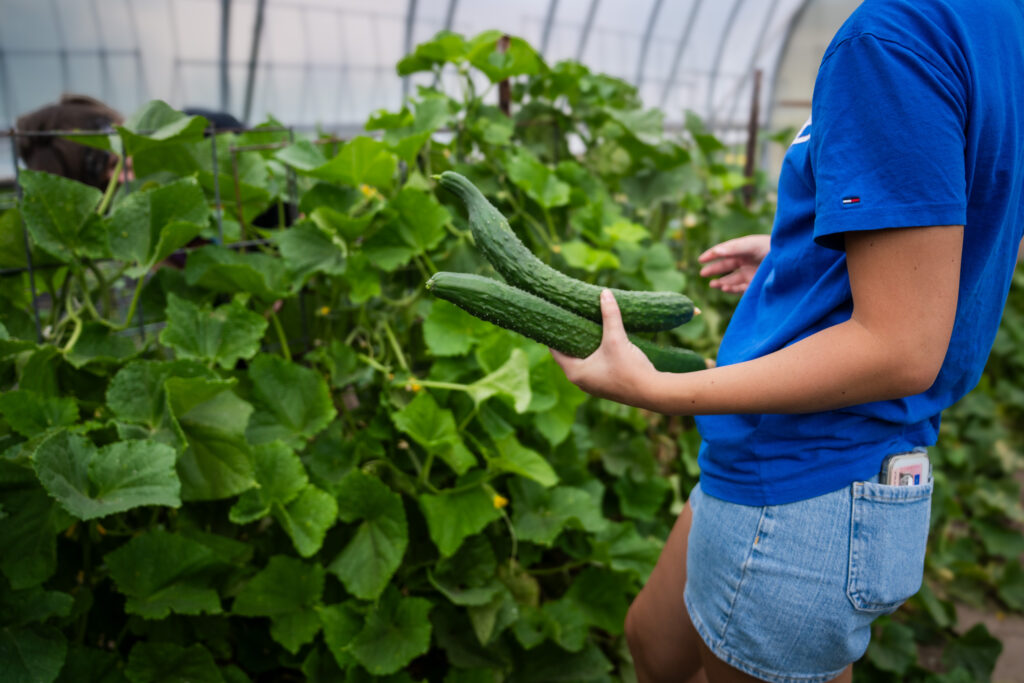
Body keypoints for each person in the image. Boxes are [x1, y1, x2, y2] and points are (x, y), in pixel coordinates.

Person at [550, 1, 1024, 681]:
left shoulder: (893, 36)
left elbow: (901, 348)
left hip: (812, 478)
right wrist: (804, 258)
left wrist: (657, 389)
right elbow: (976, 216)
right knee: (654, 642)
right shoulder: (998, 20)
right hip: (790, 456)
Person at [15, 94, 124, 189]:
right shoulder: (45, 154)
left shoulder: (99, 123)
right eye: (114, 166)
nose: (124, 178)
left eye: (116, 164)